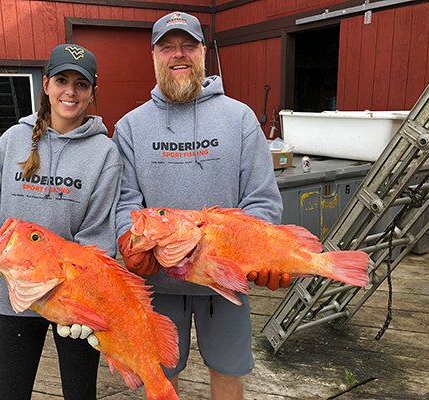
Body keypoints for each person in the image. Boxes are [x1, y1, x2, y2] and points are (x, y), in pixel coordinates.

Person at [113, 12, 291, 400]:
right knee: (160, 374)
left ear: (203, 53)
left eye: (188, 45)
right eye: (167, 47)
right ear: (154, 55)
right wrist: (127, 239)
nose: (179, 55)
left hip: (225, 280)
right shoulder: (129, 126)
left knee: (229, 371)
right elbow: (124, 200)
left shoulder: (240, 119)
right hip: (158, 283)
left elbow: (261, 198)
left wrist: (257, 253)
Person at [0, 44, 123, 400]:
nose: (70, 92)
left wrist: (74, 295)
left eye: (81, 84)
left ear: (92, 93)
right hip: (14, 297)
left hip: (73, 302)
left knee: (80, 394)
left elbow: (98, 238)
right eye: (61, 80)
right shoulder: (13, 140)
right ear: (45, 84)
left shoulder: (105, 153)